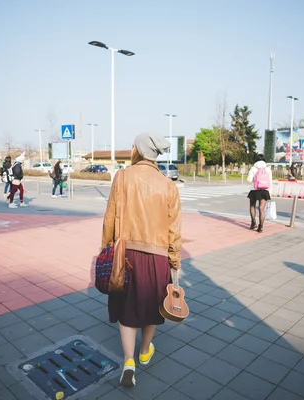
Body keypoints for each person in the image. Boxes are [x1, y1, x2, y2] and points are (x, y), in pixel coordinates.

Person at [102, 132, 181, 388]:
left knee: (126, 306)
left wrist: (106, 247)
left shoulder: (123, 176)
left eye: (132, 145)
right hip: (157, 256)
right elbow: (174, 228)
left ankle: (128, 361)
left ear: (138, 150)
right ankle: (145, 351)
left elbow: (110, 215)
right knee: (152, 305)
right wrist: (174, 259)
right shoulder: (168, 184)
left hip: (126, 253)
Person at [247, 154, 272, 233]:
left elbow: (249, 180)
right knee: (261, 209)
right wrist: (270, 192)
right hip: (265, 191)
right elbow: (270, 181)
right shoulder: (268, 169)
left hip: (254, 190)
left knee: (252, 206)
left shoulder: (253, 168)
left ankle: (253, 223)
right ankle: (260, 227)